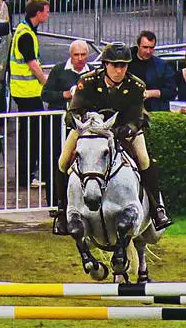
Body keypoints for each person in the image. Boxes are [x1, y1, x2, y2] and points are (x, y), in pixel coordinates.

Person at [51, 42, 171, 234]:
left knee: (144, 159)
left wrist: (126, 130)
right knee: (63, 160)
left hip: (123, 130)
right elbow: (73, 111)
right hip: (89, 130)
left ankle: (158, 209)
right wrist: (83, 125)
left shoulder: (136, 85)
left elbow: (138, 118)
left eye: (123, 65)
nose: (119, 69)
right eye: (115, 65)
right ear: (105, 64)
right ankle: (61, 211)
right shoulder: (87, 81)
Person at [42, 40, 91, 217]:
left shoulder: (91, 72)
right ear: (70, 55)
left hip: (82, 128)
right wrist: (65, 95)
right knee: (56, 161)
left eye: (83, 55)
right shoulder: (58, 70)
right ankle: (55, 203)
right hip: (58, 125)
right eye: (76, 55)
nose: (79, 59)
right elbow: (45, 94)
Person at [10, 0, 50, 186]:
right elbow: (32, 64)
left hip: (25, 91)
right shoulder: (25, 34)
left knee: (32, 132)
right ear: (38, 13)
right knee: (33, 134)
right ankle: (27, 176)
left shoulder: (26, 30)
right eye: (46, 11)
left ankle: (28, 174)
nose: (48, 14)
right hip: (26, 92)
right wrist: (45, 81)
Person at [128, 30, 175, 112]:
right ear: (138, 46)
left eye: (151, 48)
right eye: (145, 47)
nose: (148, 51)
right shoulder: (126, 62)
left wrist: (151, 93)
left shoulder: (162, 65)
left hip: (152, 110)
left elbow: (172, 91)